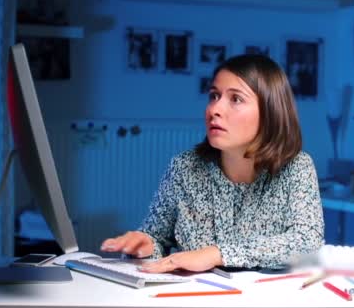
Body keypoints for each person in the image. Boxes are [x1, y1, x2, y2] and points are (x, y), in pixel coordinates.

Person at [101, 54, 324, 273]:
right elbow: (157, 239)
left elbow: (307, 243)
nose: (214, 110)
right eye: (214, 96)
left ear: (271, 112)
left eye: (235, 99)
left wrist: (216, 254)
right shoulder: (184, 167)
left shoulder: (297, 167)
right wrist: (146, 246)